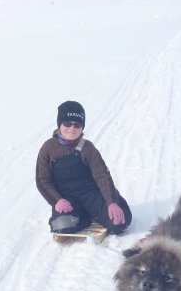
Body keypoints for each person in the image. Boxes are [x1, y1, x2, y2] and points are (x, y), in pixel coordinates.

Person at [36, 100, 132, 235]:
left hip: (92, 195)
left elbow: (102, 175)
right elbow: (42, 180)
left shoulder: (87, 147)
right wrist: (57, 200)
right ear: (59, 125)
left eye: (77, 124)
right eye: (67, 123)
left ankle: (95, 211)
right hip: (67, 199)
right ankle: (83, 216)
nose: (72, 128)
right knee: (63, 226)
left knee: (120, 222)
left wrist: (112, 202)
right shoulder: (48, 148)